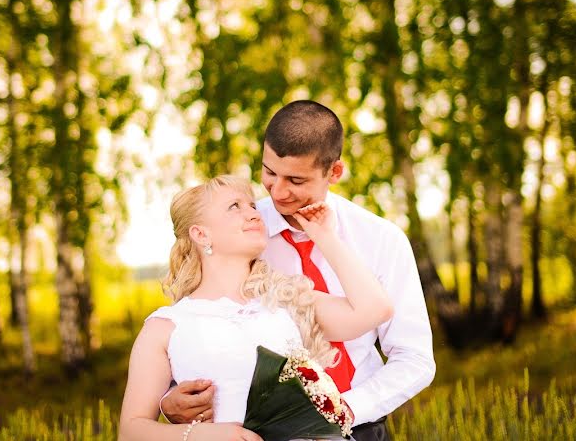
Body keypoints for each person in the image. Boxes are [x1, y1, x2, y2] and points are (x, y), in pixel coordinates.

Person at [162, 101, 436, 441]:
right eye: (269, 173)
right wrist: (168, 399)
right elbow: (201, 324)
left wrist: (343, 409)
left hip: (360, 427)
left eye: (295, 179)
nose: (277, 192)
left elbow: (414, 357)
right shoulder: (241, 231)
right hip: (261, 432)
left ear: (334, 172)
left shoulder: (382, 239)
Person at [118, 175, 393, 441]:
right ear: (201, 234)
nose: (253, 214)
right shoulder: (165, 327)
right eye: (234, 206)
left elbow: (375, 310)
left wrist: (325, 235)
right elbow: (131, 431)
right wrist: (201, 435)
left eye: (251, 205)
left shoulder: (286, 299)